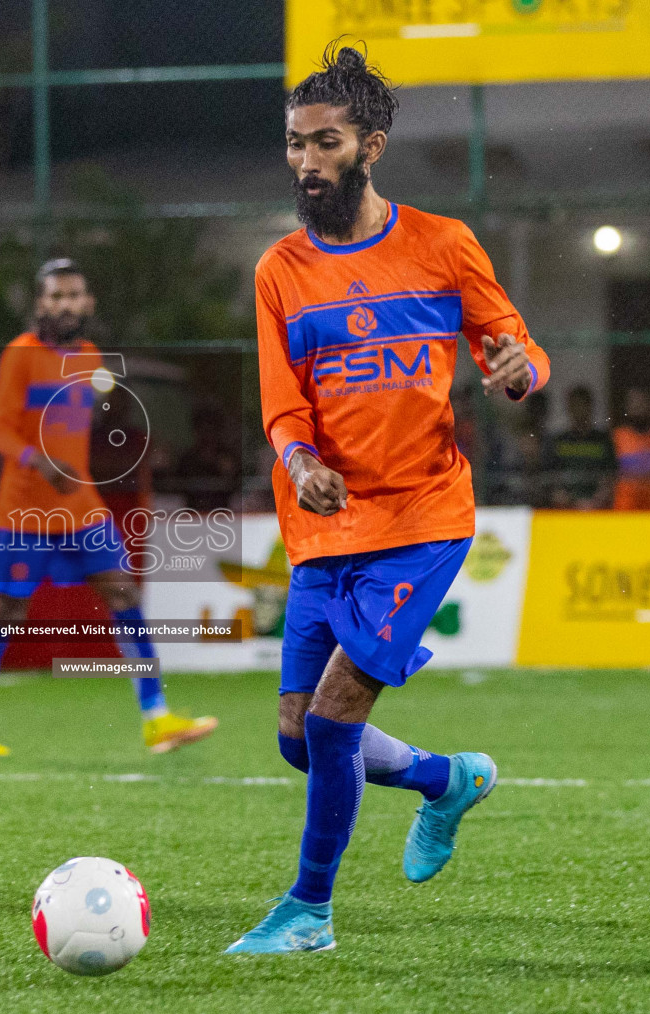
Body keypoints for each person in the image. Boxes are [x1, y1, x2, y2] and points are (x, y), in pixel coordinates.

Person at [226, 45, 550, 955]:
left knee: (333, 719)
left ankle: (308, 912)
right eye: (295, 144)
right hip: (324, 528)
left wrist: (521, 371)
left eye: (325, 143)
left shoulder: (444, 245)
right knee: (299, 737)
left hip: (422, 522)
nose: (305, 162)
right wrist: (298, 464)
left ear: (371, 147)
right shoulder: (280, 270)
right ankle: (450, 780)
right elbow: (281, 401)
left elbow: (514, 350)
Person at [0, 258, 218, 757]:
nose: (66, 305)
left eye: (74, 296)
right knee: (8, 608)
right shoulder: (20, 355)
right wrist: (37, 461)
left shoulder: (91, 357)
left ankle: (157, 717)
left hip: (81, 507)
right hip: (25, 509)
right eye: (56, 296)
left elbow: (72, 435)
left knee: (123, 593)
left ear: (87, 304)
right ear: (40, 304)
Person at [547, 386, 616, 509]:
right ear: (569, 408)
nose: (579, 410)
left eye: (582, 405)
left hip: (597, 509)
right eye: (575, 405)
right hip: (565, 510)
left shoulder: (603, 440)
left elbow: (610, 476)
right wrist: (570, 501)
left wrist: (595, 502)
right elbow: (552, 477)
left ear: (590, 407)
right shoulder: (559, 441)